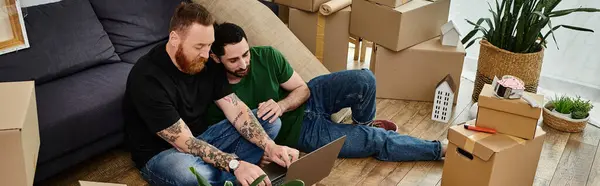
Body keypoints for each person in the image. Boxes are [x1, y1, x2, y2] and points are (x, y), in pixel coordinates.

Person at [205, 23, 446, 165]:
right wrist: (260, 156)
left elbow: (302, 89)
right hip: (302, 132)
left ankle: (363, 123)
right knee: (374, 140)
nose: (244, 63)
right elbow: (230, 144)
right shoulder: (218, 93)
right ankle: (437, 150)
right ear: (216, 58)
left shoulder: (266, 55)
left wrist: (281, 105)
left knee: (365, 79)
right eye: (234, 60)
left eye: (246, 54)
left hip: (310, 98)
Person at [123, 3, 299, 186]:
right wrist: (234, 164)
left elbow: (235, 108)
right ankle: (241, 176)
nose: (206, 54)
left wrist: (270, 147)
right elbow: (184, 142)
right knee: (188, 174)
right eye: (199, 46)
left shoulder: (208, 60)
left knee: (270, 122)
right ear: (174, 39)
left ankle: (233, 177)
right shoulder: (147, 78)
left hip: (205, 137)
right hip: (165, 153)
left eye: (209, 45)